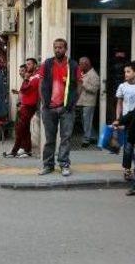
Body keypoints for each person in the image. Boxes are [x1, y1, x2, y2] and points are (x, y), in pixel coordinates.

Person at [38, 38, 82, 177]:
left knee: (65, 138)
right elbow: (40, 82)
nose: (58, 50)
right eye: (56, 47)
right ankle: (48, 165)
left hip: (66, 109)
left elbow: (80, 85)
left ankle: (64, 164)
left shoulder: (73, 65)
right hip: (48, 108)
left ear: (65, 49)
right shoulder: (47, 64)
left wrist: (73, 102)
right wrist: (44, 101)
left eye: (61, 47)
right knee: (49, 139)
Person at [116, 62, 135, 181]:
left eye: (128, 71)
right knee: (128, 146)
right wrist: (118, 119)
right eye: (125, 71)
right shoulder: (122, 87)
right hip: (127, 120)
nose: (126, 74)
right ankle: (127, 169)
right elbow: (119, 103)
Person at [4, 58, 40, 158]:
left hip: (29, 106)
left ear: (35, 65)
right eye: (27, 64)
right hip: (25, 105)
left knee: (20, 129)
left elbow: (25, 90)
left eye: (29, 64)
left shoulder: (35, 77)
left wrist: (26, 79)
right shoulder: (31, 76)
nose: (27, 66)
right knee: (24, 128)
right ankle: (27, 150)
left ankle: (14, 151)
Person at [77, 57, 100, 147]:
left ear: (86, 64)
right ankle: (93, 137)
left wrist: (83, 83)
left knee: (87, 122)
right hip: (82, 101)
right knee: (85, 122)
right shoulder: (84, 73)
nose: (79, 66)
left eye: (80, 64)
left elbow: (94, 89)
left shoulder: (94, 75)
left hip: (89, 102)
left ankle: (86, 140)